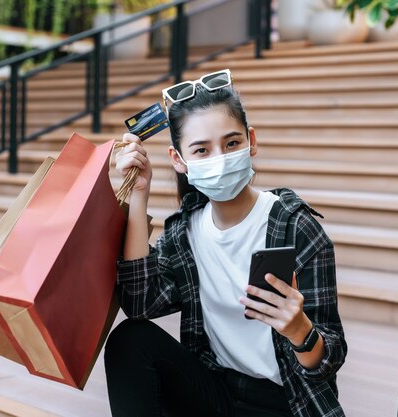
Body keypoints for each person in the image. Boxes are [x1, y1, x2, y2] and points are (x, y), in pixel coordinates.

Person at [104, 69, 347, 417]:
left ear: (252, 141)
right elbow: (141, 303)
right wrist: (139, 193)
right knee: (130, 341)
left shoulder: (295, 227)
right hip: (216, 394)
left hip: (286, 404)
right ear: (179, 161)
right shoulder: (186, 231)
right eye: (201, 150)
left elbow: (328, 360)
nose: (219, 158)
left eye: (231, 143)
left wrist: (299, 330)